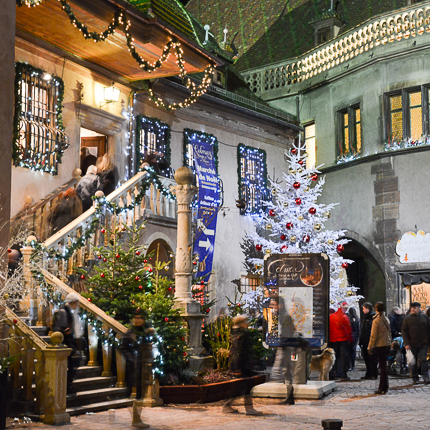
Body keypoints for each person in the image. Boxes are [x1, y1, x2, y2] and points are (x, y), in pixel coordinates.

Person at [120, 309, 154, 428]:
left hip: (143, 365)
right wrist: (131, 358)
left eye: (140, 318)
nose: (138, 320)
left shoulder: (144, 331)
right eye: (136, 317)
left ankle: (137, 418)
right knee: (136, 393)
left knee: (141, 393)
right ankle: (136, 419)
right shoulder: (130, 332)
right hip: (134, 366)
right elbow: (123, 348)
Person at [222, 315, 262, 416]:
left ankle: (228, 405)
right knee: (246, 386)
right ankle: (248, 409)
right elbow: (241, 351)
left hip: (238, 363)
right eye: (246, 321)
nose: (247, 323)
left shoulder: (235, 333)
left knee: (241, 387)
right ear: (241, 323)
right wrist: (242, 365)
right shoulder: (243, 334)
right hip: (242, 364)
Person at [52, 292, 83, 395]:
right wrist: (65, 331)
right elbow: (58, 327)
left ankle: (68, 383)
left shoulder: (70, 311)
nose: (77, 305)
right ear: (72, 303)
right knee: (72, 362)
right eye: (76, 303)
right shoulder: (63, 311)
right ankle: (66, 385)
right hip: (65, 341)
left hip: (69, 340)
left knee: (73, 362)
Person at [402, 302, 430, 384]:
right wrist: (406, 343)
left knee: (423, 360)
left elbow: (428, 329)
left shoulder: (424, 317)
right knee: (413, 362)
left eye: (415, 308)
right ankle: (415, 377)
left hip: (423, 343)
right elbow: (404, 331)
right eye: (412, 308)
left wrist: (428, 341)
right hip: (412, 343)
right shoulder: (407, 319)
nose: (413, 309)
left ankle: (426, 377)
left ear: (419, 308)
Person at [368, 301, 391, 394]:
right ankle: (385, 386)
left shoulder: (376, 320)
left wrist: (370, 347)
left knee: (382, 367)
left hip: (380, 345)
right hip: (386, 344)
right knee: (384, 366)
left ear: (375, 309)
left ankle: (382, 387)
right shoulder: (386, 318)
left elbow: (373, 336)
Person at [329, 302, 353, 381]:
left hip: (333, 340)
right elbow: (348, 330)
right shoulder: (344, 317)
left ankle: (332, 373)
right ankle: (343, 374)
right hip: (343, 340)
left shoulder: (332, 316)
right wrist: (350, 339)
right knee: (343, 358)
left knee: (334, 357)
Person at [359, 302, 378, 380]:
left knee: (372, 358)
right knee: (367, 358)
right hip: (365, 340)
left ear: (367, 308)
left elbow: (370, 330)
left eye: (364, 308)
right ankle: (369, 373)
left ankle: (373, 373)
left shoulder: (372, 317)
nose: (363, 310)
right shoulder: (366, 317)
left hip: (369, 341)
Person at [388, 306, 406, 373]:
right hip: (396, 337)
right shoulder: (393, 318)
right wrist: (397, 333)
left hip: (397, 336)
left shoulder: (397, 317)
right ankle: (398, 365)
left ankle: (394, 365)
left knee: (396, 351)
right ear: (396, 311)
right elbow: (392, 327)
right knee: (398, 351)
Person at [346, 307, 360, 371]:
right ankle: (353, 365)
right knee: (353, 351)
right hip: (355, 336)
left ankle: (348, 365)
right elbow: (358, 329)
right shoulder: (357, 319)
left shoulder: (348, 318)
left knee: (348, 351)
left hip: (349, 336)